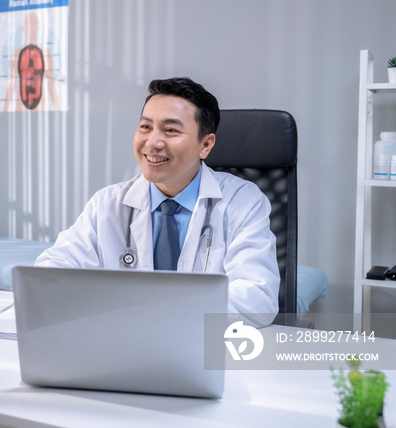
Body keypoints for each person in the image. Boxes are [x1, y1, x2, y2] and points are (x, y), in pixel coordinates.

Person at [35, 77, 280, 326]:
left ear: (205, 145)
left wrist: (153, 311)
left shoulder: (243, 202)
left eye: (171, 130)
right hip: (123, 344)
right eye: (145, 127)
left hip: (203, 347)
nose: (153, 142)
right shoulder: (107, 204)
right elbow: (49, 274)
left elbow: (257, 300)